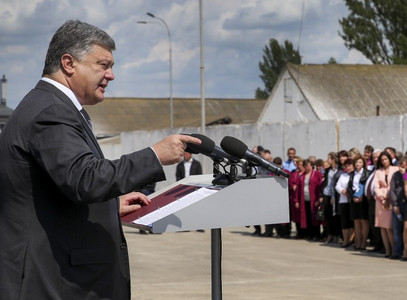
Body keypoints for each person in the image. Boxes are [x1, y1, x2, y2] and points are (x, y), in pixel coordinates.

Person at [0, 20, 201, 300]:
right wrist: (155, 155)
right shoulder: (51, 112)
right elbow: (85, 179)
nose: (111, 75)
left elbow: (57, 187)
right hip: (51, 281)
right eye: (103, 65)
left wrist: (107, 207)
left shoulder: (54, 106)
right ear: (69, 63)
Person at [374, 151, 399, 258]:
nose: (384, 161)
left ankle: (394, 249)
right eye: (382, 160)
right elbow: (376, 186)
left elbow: (394, 185)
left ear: (390, 159)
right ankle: (387, 250)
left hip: (391, 199)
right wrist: (381, 196)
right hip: (380, 201)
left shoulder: (396, 169)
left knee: (389, 226)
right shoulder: (378, 171)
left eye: (386, 159)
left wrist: (387, 195)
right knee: (382, 227)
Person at [347, 154, 371, 250]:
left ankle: (363, 241)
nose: (358, 164)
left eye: (360, 162)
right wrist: (353, 197)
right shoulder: (352, 174)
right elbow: (349, 187)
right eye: (356, 162)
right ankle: (357, 241)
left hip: (363, 200)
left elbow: (367, 186)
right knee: (356, 221)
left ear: (363, 163)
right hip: (354, 200)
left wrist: (362, 197)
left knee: (364, 221)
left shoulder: (367, 173)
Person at [296, 159, 323, 241]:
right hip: (304, 200)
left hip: (314, 200)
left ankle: (316, 235)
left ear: (312, 166)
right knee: (307, 218)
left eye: (309, 165)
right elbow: (298, 189)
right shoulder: (302, 176)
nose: (307, 167)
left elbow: (320, 187)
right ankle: (309, 234)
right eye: (306, 166)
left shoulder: (317, 174)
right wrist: (297, 200)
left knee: (314, 218)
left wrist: (319, 199)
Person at [364, 149, 384, 252]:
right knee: (373, 223)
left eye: (377, 157)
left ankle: (383, 246)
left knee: (380, 223)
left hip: (379, 199)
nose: (375, 159)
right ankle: (377, 244)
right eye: (374, 157)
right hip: (370, 200)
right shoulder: (373, 169)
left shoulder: (384, 170)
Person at [319, 152, 340, 244]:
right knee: (327, 216)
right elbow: (325, 182)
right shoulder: (328, 170)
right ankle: (329, 235)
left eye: (329, 159)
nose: (328, 160)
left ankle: (336, 235)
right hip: (326, 193)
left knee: (335, 216)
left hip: (335, 195)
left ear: (333, 159)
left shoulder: (339, 169)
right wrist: (321, 195)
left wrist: (333, 196)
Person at [389, 156, 407, 259]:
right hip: (398, 203)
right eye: (399, 164)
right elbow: (392, 190)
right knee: (396, 229)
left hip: (406, 203)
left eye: (403, 165)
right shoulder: (395, 175)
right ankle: (397, 251)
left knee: (405, 229)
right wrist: (395, 203)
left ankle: (405, 250)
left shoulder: (406, 175)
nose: (400, 167)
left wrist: (404, 175)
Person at [335, 158, 355, 248]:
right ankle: (345, 240)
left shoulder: (355, 175)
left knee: (352, 221)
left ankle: (351, 239)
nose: (348, 167)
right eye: (346, 166)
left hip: (352, 201)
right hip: (343, 200)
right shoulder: (343, 175)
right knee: (344, 222)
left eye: (350, 165)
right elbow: (337, 186)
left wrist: (349, 193)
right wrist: (342, 191)